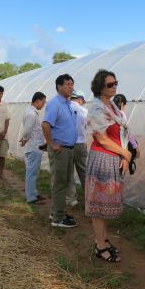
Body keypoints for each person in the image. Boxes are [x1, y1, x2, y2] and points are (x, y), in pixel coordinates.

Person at [85, 69, 132, 262]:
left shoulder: (112, 106)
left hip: (114, 158)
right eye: (109, 84)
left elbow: (121, 134)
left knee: (106, 204)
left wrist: (124, 156)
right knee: (98, 206)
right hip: (102, 159)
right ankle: (100, 246)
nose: (114, 87)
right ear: (99, 87)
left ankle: (104, 239)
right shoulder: (97, 109)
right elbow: (102, 139)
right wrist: (126, 153)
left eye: (115, 83)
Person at [42, 74, 78, 228]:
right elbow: (45, 125)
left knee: (63, 181)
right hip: (60, 150)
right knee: (59, 183)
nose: (71, 86)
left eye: (72, 84)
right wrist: (52, 144)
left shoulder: (67, 104)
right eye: (68, 84)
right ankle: (58, 218)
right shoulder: (55, 104)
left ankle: (57, 211)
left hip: (68, 149)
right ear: (59, 86)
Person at [20, 92, 47, 205]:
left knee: (33, 171)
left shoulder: (30, 111)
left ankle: (33, 192)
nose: (43, 105)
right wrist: (25, 138)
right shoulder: (31, 114)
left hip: (34, 146)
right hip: (34, 146)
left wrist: (24, 139)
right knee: (31, 172)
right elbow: (27, 130)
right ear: (37, 101)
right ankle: (31, 197)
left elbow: (28, 129)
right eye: (43, 102)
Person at [66, 90, 88, 207]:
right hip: (80, 143)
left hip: (67, 144)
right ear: (80, 99)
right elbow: (87, 127)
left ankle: (71, 199)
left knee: (69, 172)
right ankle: (88, 198)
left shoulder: (65, 109)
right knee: (83, 171)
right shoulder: (84, 111)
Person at [113, 94, 140, 159]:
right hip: (120, 145)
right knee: (133, 144)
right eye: (124, 105)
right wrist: (136, 147)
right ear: (122, 104)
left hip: (112, 144)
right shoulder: (121, 114)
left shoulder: (110, 112)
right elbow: (127, 132)